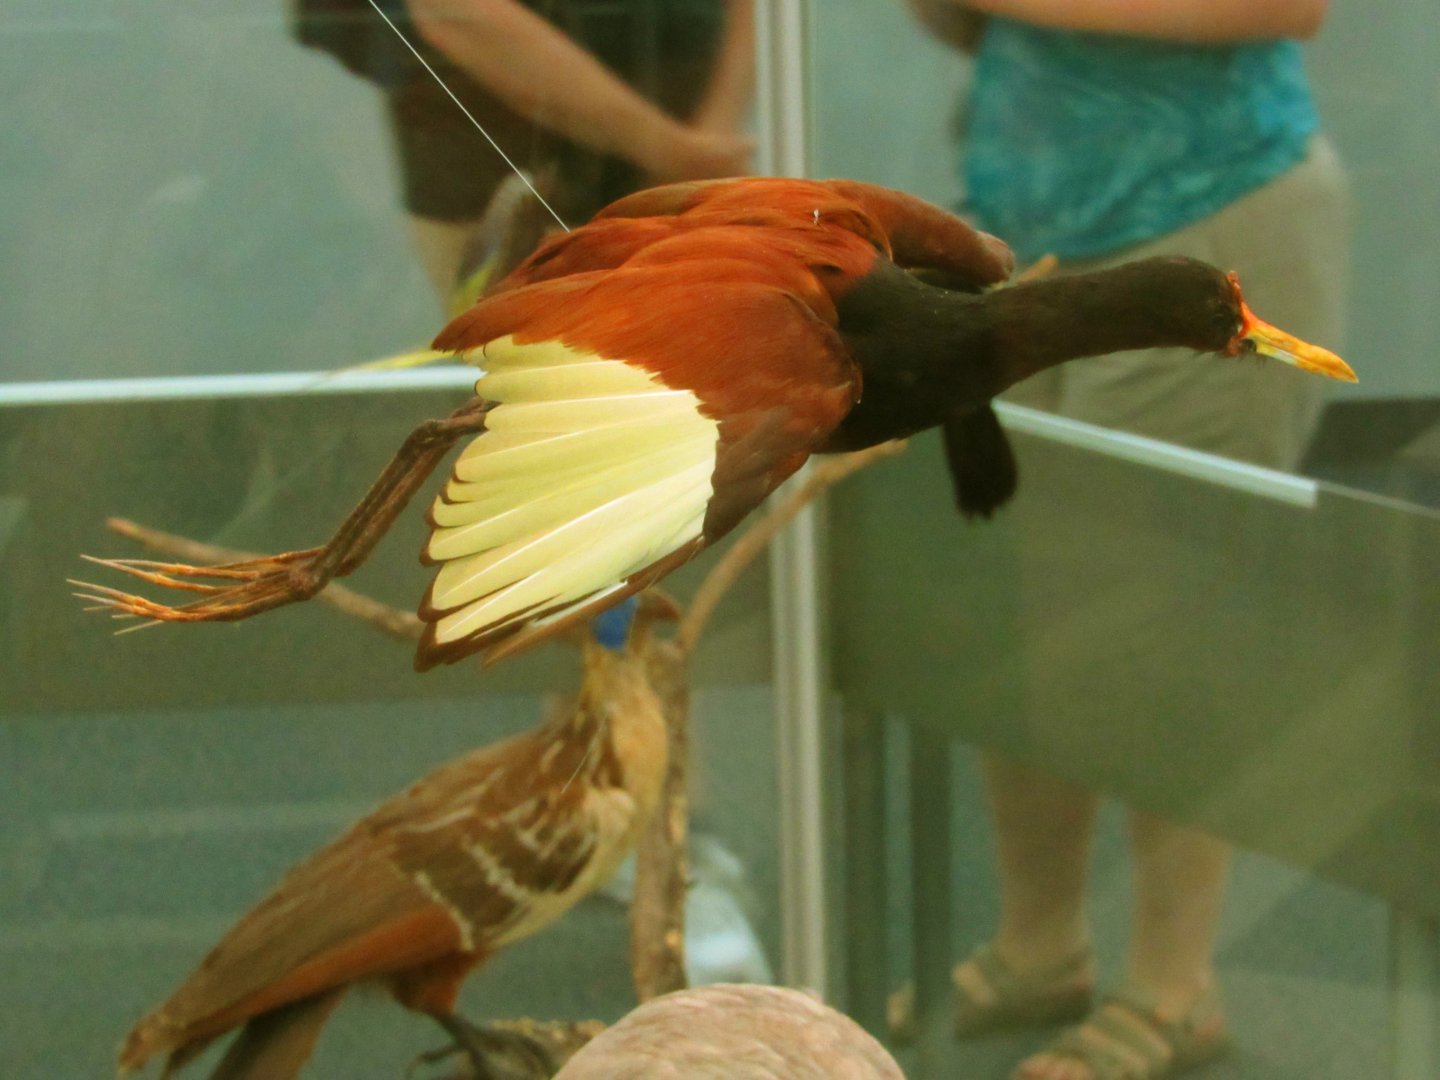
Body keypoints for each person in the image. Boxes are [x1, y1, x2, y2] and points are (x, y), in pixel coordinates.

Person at [906, 2, 1347, 1078]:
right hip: (1031, 229)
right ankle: (1040, 945)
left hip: (1209, 217)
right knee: (1013, 593)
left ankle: (1175, 986)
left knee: (1167, 615)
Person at [294, 0, 753, 306]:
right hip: (491, 163)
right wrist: (682, 152)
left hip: (685, 156)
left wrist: (703, 144)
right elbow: (455, 12)